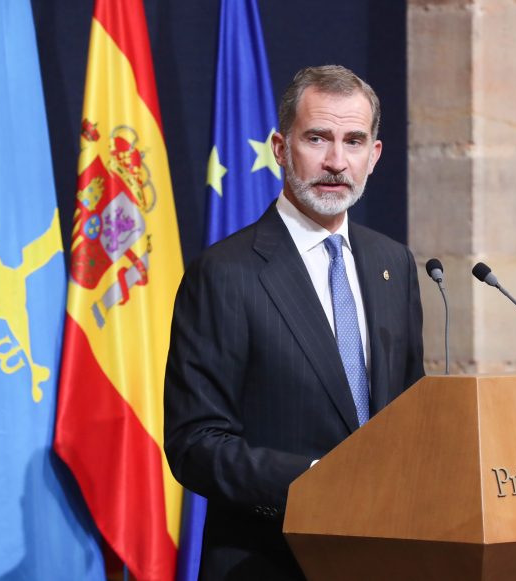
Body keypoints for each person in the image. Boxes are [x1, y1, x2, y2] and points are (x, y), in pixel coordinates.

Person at [164, 65, 425, 580]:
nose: (335, 162)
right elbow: (195, 443)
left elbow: (410, 415)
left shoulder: (393, 262)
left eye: (353, 141)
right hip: (269, 561)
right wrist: (313, 483)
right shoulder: (225, 273)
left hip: (385, 557)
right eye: (317, 138)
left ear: (373, 156)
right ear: (281, 148)